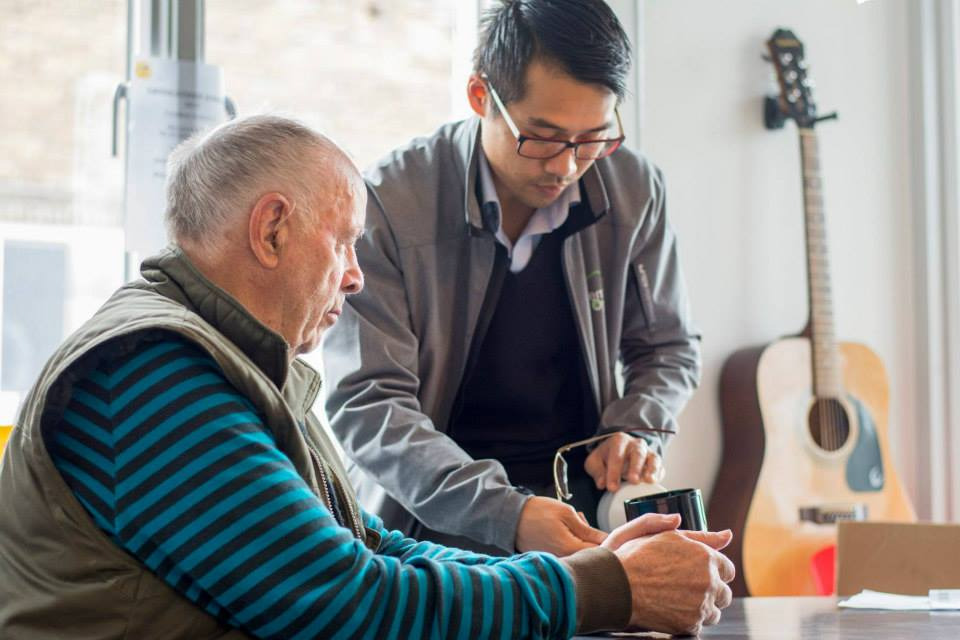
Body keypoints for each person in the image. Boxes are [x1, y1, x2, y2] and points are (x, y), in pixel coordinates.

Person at [0, 115, 731, 638]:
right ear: (272, 228)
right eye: (345, 242)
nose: (355, 277)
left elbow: (369, 545)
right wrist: (604, 588)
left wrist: (581, 563)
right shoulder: (152, 375)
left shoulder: (234, 363)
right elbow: (350, 605)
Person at [323, 0, 701, 557]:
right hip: (429, 523)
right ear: (481, 97)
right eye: (543, 137)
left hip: (590, 508)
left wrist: (636, 429)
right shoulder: (388, 201)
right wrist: (508, 513)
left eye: (593, 138)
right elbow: (368, 402)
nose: (566, 167)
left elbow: (668, 348)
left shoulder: (634, 189)